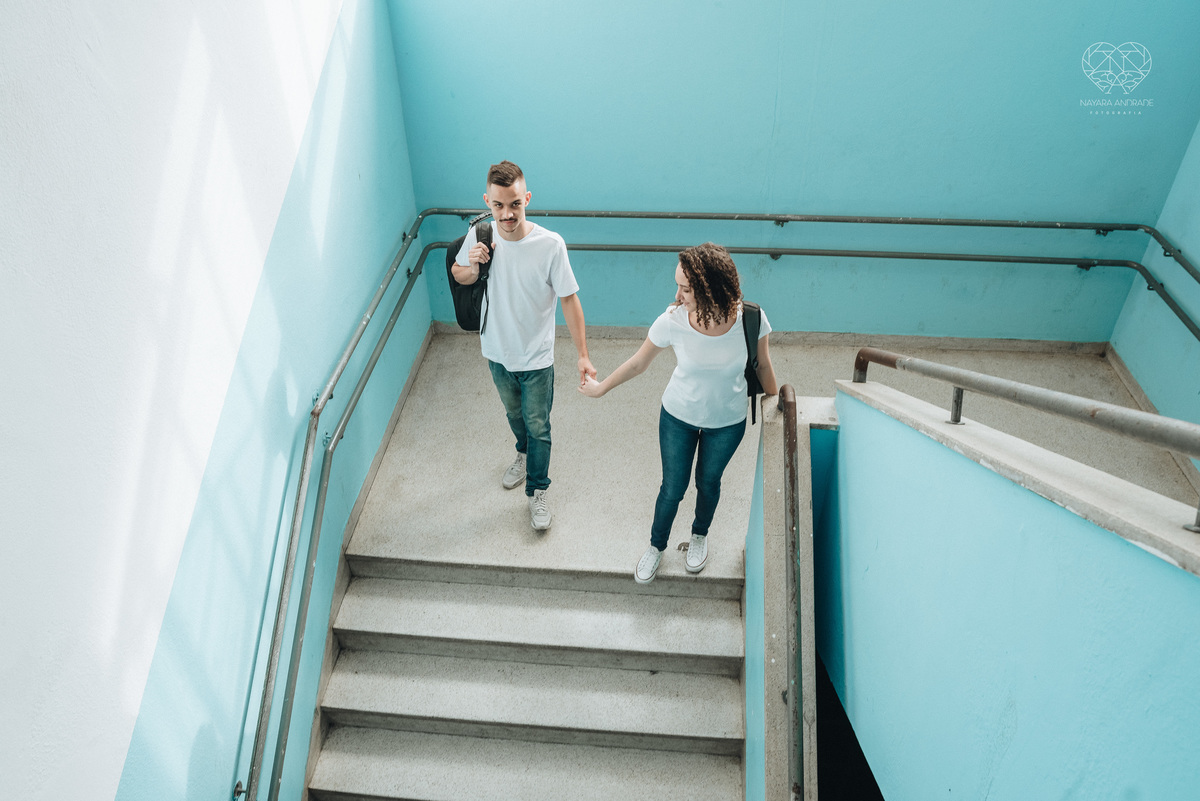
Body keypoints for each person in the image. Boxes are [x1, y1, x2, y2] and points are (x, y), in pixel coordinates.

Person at [580, 243, 777, 583]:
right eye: (678, 285)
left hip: (727, 422)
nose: (678, 293)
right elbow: (638, 363)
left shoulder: (751, 319)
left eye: (686, 288)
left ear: (710, 287)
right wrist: (601, 388)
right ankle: (656, 547)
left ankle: (699, 536)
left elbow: (763, 366)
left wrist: (779, 405)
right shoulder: (672, 320)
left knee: (708, 482)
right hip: (677, 418)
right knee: (673, 487)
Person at [452, 160, 595, 531]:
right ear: (488, 201)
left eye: (514, 203)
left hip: (536, 358)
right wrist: (472, 263)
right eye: (498, 205)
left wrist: (582, 354)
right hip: (496, 353)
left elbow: (569, 300)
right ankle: (522, 452)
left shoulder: (550, 245)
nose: (507, 213)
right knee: (515, 417)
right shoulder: (480, 234)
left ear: (526, 198)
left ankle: (538, 489)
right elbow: (458, 274)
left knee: (539, 425)